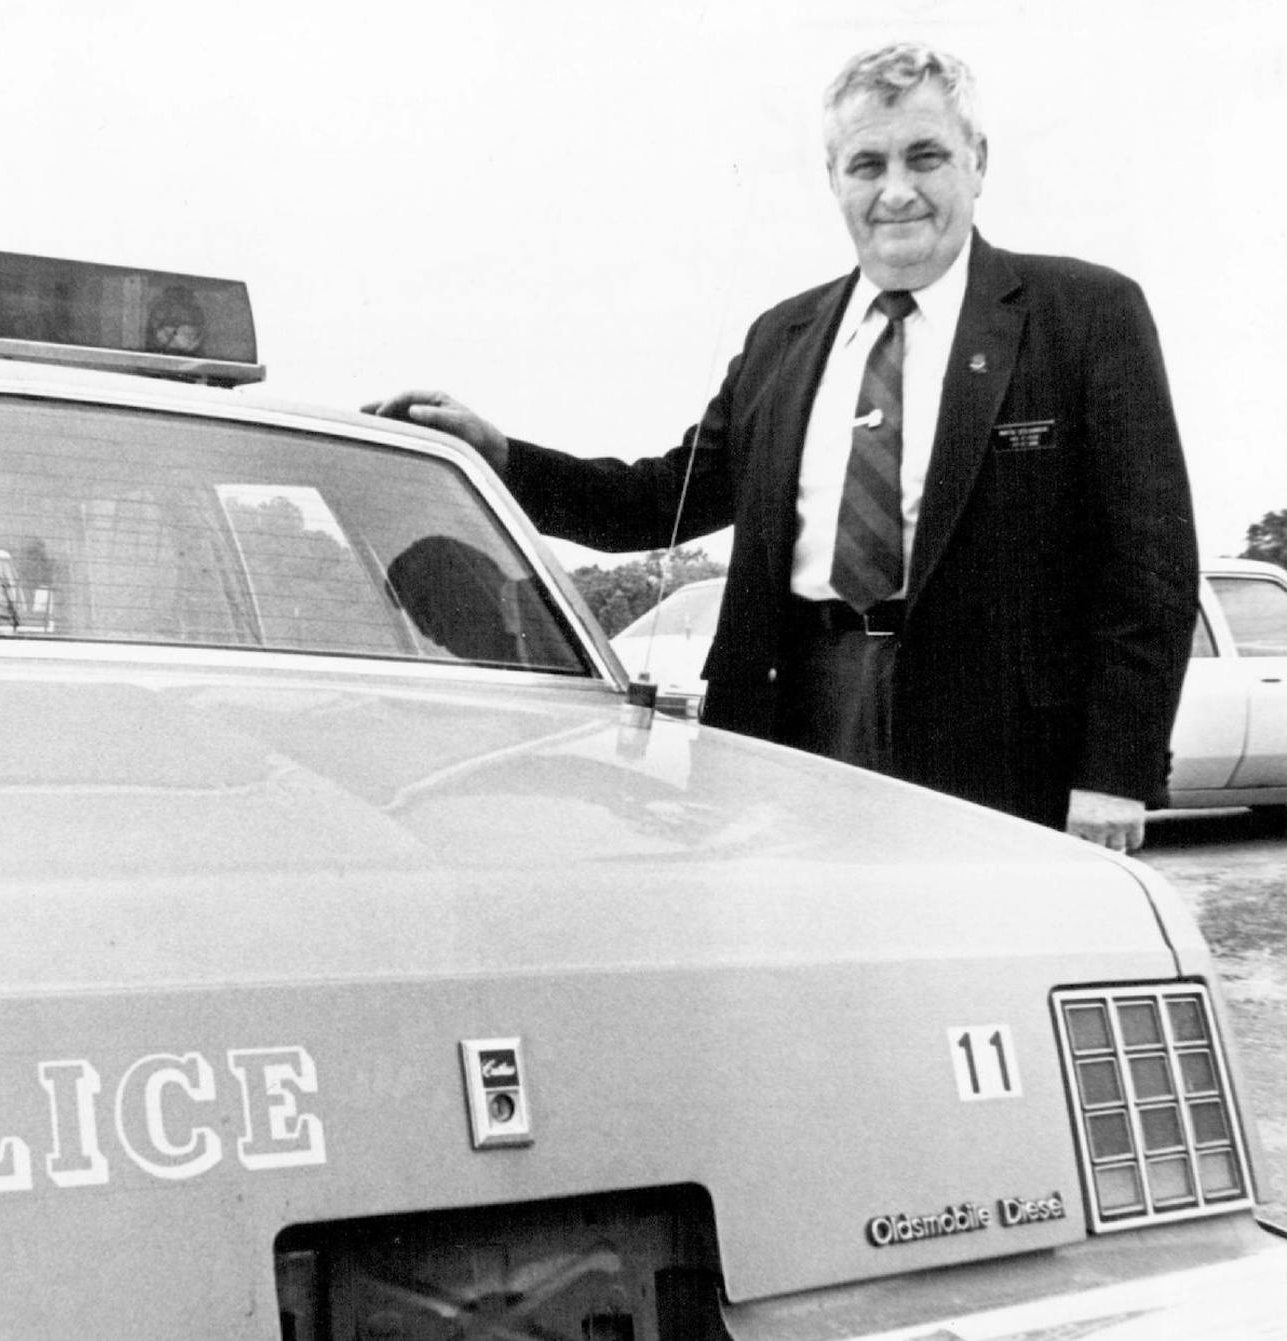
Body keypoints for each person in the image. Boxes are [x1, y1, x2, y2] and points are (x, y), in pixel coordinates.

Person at [364, 41, 1198, 854]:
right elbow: (660, 501)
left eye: (926, 157)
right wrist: (501, 458)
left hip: (1001, 747)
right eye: (867, 165)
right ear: (833, 178)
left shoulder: (1085, 314)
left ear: (978, 162)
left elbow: (1150, 568)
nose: (896, 191)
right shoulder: (782, 338)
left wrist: (1114, 770)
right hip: (790, 719)